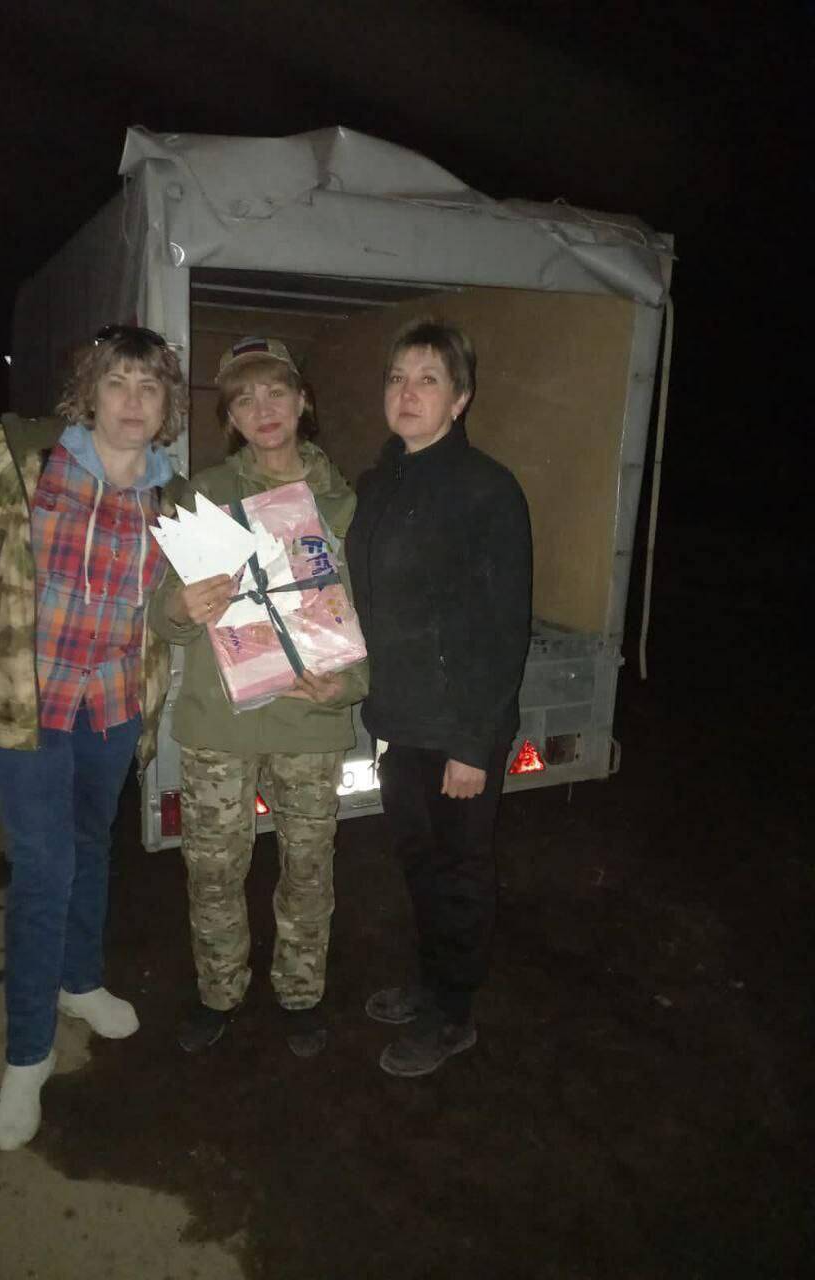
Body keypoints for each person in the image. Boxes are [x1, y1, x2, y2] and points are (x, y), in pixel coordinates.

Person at [0, 324, 188, 1149]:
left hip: (112, 704)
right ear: (88, 392)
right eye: (117, 382)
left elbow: (176, 609)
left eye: (150, 387)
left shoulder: (174, 499)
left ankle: (79, 981)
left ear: (167, 406)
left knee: (90, 844)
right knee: (45, 866)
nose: (132, 401)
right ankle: (28, 1056)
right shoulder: (16, 458)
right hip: (20, 701)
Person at [149, 337, 367, 1059]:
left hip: (310, 719)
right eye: (244, 399)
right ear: (230, 418)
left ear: (304, 401)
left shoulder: (345, 503)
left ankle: (301, 993)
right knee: (213, 873)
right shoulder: (202, 495)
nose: (263, 409)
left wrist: (350, 684)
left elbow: (375, 614)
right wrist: (179, 606)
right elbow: (161, 616)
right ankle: (219, 993)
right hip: (221, 725)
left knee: (308, 869)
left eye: (276, 392)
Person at [345, 318, 532, 1077]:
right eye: (397, 378)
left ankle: (453, 1015)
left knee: (459, 874)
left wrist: (472, 744)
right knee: (419, 864)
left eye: (428, 380)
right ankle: (429, 983)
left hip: (458, 726)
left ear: (460, 399)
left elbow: (503, 627)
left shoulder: (487, 489)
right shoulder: (377, 484)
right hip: (399, 718)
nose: (408, 393)